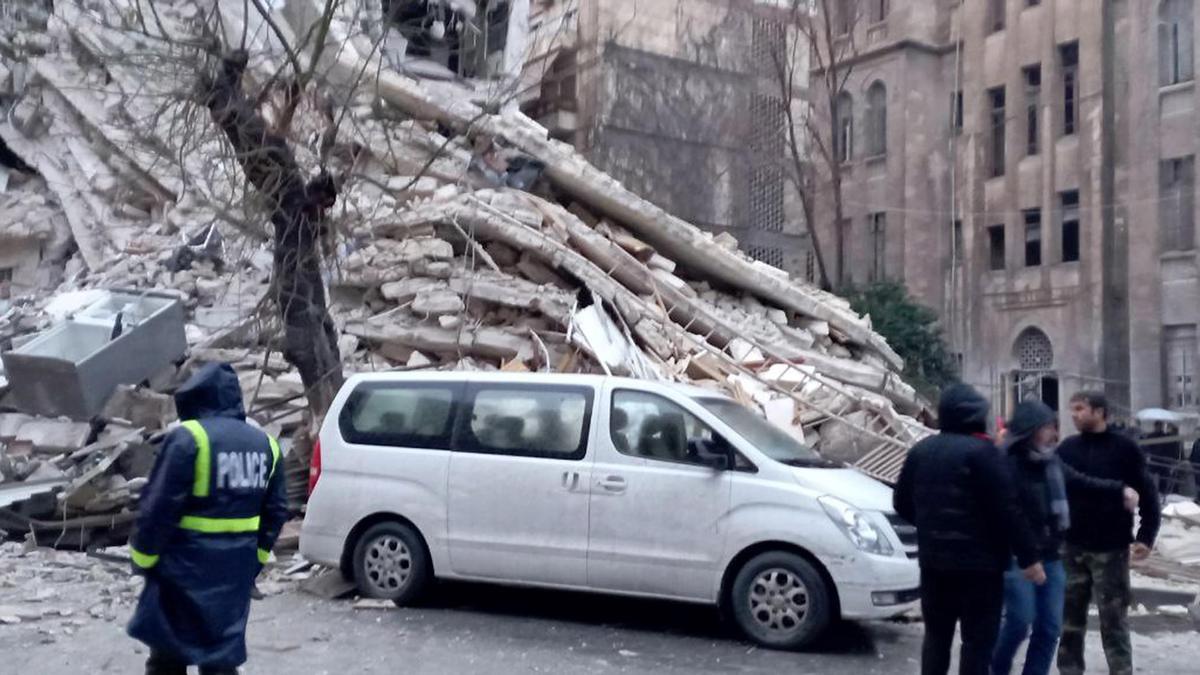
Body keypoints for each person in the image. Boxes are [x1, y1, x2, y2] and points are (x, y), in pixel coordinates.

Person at [127, 363, 290, 675]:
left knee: (168, 658)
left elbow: (158, 508)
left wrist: (143, 559)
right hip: (233, 573)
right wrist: (253, 563)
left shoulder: (189, 438)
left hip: (181, 570)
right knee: (220, 658)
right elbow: (276, 511)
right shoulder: (266, 444)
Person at [894, 383, 1045, 675]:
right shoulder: (985, 454)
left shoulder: (921, 451)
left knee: (936, 638)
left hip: (934, 565)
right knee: (976, 643)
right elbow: (1008, 510)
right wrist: (1029, 557)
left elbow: (901, 502)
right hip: (981, 569)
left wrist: (929, 525)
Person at [991, 401, 1138, 675]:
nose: (1053, 434)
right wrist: (1027, 557)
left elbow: (1082, 481)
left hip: (1050, 556)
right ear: (1030, 429)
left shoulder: (1051, 461)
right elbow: (1008, 515)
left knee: (1049, 627)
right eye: (1048, 427)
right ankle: (995, 668)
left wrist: (1120, 490)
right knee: (1020, 621)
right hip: (1017, 558)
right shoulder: (1005, 463)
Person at [1056, 391, 1161, 675]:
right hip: (1073, 546)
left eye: (1080, 408)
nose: (1074, 414)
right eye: (1072, 409)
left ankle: (1121, 670)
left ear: (1100, 412)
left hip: (1111, 548)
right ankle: (1069, 669)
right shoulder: (1066, 449)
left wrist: (1146, 536)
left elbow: (1148, 493)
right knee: (1069, 620)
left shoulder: (1125, 449)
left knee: (1113, 619)